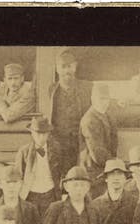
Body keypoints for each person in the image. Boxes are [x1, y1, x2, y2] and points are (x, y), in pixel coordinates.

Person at [47, 50, 93, 193]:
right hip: (59, 143)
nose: (67, 70)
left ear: (75, 67)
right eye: (63, 66)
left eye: (70, 66)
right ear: (57, 68)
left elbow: (101, 100)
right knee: (60, 181)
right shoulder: (52, 90)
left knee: (82, 178)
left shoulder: (87, 87)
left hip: (81, 142)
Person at [91, 158, 138, 224]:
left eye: (120, 174)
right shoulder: (95, 205)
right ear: (106, 178)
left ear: (125, 178)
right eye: (112, 174)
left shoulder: (135, 202)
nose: (116, 178)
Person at [16, 116, 61, 218]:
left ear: (48, 134)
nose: (41, 138)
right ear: (32, 133)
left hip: (50, 194)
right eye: (38, 134)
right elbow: (18, 176)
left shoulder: (56, 149)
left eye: (44, 134)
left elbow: (61, 172)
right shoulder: (24, 151)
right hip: (30, 195)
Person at [79, 82, 117, 196]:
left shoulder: (106, 115)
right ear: (92, 99)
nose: (104, 102)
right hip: (94, 174)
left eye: (107, 99)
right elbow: (97, 154)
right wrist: (115, 165)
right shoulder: (89, 120)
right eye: (101, 99)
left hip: (103, 170)